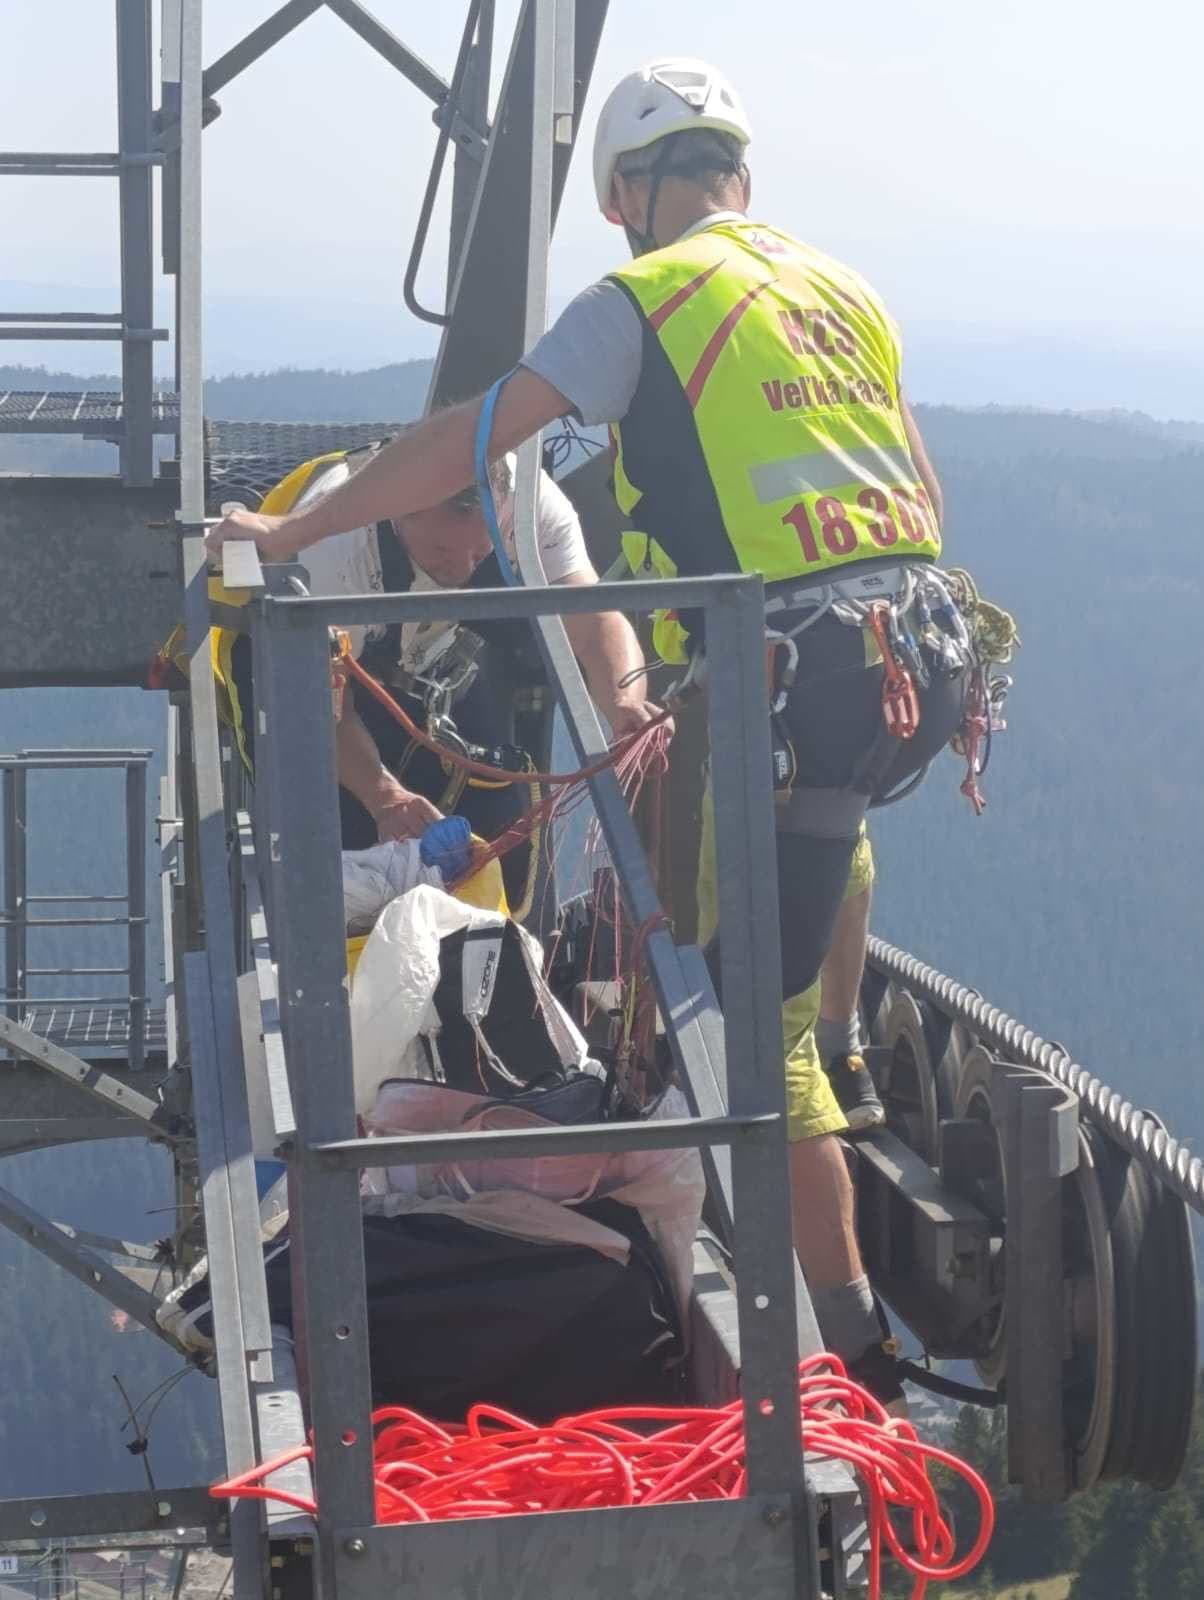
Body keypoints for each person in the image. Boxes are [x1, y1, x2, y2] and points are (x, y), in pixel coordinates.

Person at [206, 58, 969, 1404]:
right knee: (814, 855)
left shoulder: (652, 299)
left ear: (624, 197)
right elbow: (918, 484)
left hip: (791, 677)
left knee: (752, 1037)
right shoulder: (844, 290)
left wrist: (289, 532)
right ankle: (815, 1034)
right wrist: (400, 792)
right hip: (920, 661)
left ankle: (854, 1351)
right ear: (744, 174)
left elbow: (472, 441)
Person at [227, 439, 656, 909]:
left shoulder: (532, 508)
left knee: (494, 824)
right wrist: (382, 793)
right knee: (349, 842)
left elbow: (595, 622)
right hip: (304, 670)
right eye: (441, 550)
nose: (460, 568)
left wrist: (623, 701)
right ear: (400, 514)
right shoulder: (333, 550)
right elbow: (320, 705)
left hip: (431, 657)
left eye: (478, 551)